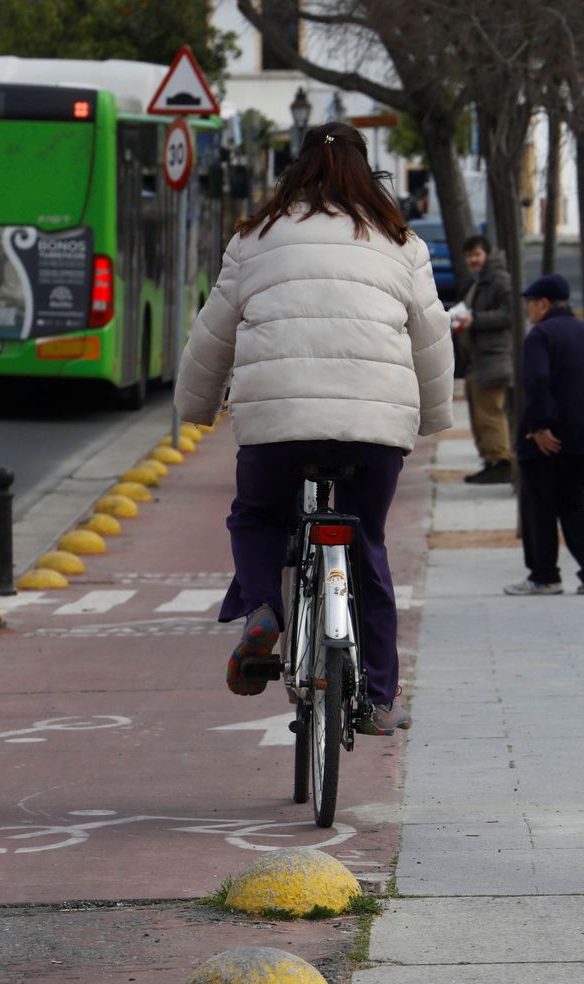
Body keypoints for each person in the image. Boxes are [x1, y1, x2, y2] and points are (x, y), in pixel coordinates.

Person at [175, 121, 454, 737]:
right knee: (366, 544)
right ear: (369, 171)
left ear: (294, 171)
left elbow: (213, 333)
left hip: (279, 426)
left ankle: (264, 610)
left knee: (257, 517)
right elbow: (430, 340)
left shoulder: (256, 238)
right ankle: (380, 696)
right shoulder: (401, 242)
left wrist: (195, 407)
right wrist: (433, 415)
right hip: (374, 429)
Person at [504, 274, 584, 597]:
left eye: (531, 304)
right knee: (576, 504)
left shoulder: (540, 335)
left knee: (539, 505)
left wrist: (539, 426)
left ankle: (545, 576)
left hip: (548, 442)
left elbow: (537, 381)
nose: (529, 310)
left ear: (545, 304)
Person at [456, 235, 515, 484]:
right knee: (480, 416)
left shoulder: (499, 280)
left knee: (490, 414)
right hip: (478, 360)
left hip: (493, 359)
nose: (473, 260)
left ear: (487, 255)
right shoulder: (478, 282)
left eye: (477, 254)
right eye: (470, 255)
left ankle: (501, 462)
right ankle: (491, 460)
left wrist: (475, 320)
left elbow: (510, 314)